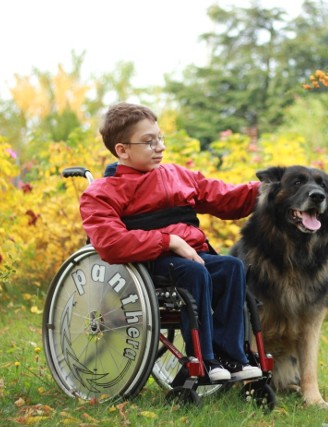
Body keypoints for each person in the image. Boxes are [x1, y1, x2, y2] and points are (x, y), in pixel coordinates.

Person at [79, 102, 262, 383]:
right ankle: (205, 360)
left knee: (231, 267)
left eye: (160, 138)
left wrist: (266, 191)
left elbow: (223, 197)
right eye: (149, 142)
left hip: (191, 257)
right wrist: (169, 241)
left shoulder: (177, 175)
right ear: (122, 150)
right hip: (148, 264)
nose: (160, 147)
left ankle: (231, 356)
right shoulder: (103, 192)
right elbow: (111, 242)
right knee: (195, 272)